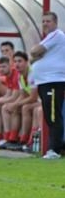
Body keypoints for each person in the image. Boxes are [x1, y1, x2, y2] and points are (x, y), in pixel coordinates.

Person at [29, 11, 65, 159]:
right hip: (44, 81)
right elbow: (34, 57)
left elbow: (34, 51)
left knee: (53, 115)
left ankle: (54, 150)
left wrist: (36, 54)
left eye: (48, 21)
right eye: (43, 21)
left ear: (55, 23)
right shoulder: (48, 38)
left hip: (53, 81)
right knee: (50, 116)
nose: (44, 24)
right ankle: (53, 149)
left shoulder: (57, 34)